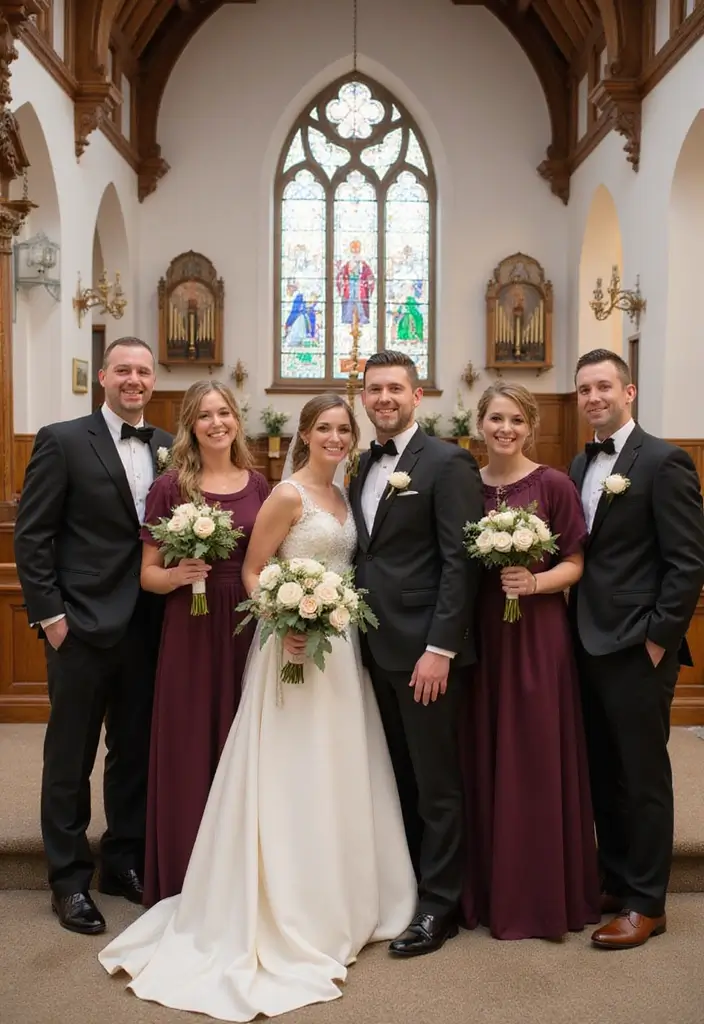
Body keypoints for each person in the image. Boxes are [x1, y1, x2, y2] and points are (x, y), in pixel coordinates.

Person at [98, 394, 415, 1022]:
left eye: (342, 429)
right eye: (323, 427)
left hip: (341, 646)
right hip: (291, 642)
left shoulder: (346, 496)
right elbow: (252, 569)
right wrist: (286, 616)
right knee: (288, 769)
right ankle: (285, 902)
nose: (335, 436)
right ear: (303, 433)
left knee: (339, 765)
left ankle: (342, 895)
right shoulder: (288, 494)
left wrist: (328, 612)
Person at [14, 337, 172, 935]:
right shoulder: (61, 439)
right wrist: (51, 618)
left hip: (147, 627)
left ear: (153, 381)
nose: (134, 380)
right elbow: (33, 536)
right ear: (103, 376)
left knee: (133, 751)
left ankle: (122, 861)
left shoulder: (165, 447)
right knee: (70, 755)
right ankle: (69, 879)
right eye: (124, 370)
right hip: (79, 626)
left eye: (143, 371)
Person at [348, 350, 483, 957]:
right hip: (369, 648)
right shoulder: (359, 465)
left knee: (435, 782)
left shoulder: (448, 462)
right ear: (363, 396)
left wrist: (440, 648)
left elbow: (460, 565)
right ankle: (402, 892)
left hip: (424, 652)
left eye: (395, 389)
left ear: (417, 395)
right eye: (374, 389)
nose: (384, 398)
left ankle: (439, 907)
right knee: (393, 776)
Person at [569, 348, 704, 949]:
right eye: (583, 390)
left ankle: (650, 902)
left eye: (604, 386)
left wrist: (658, 640)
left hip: (637, 646)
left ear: (629, 392)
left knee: (643, 774)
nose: (593, 397)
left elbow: (687, 562)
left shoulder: (665, 461)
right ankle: (618, 878)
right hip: (586, 641)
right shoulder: (579, 462)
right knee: (603, 768)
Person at [460, 382, 600, 940]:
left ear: (530, 424)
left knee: (537, 752)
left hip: (538, 634)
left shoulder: (553, 484)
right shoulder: (464, 487)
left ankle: (542, 895)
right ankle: (490, 891)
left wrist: (536, 581)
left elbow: (576, 562)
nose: (505, 429)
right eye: (496, 419)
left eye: (516, 420)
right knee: (484, 750)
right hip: (484, 634)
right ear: (480, 424)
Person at [139, 381, 269, 907]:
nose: (217, 423)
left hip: (245, 618)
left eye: (225, 413)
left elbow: (270, 558)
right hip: (190, 623)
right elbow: (147, 574)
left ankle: (241, 871)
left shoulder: (259, 484)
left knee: (245, 736)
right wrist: (177, 576)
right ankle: (185, 870)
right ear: (190, 425)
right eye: (205, 416)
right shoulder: (171, 487)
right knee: (190, 738)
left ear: (236, 420)